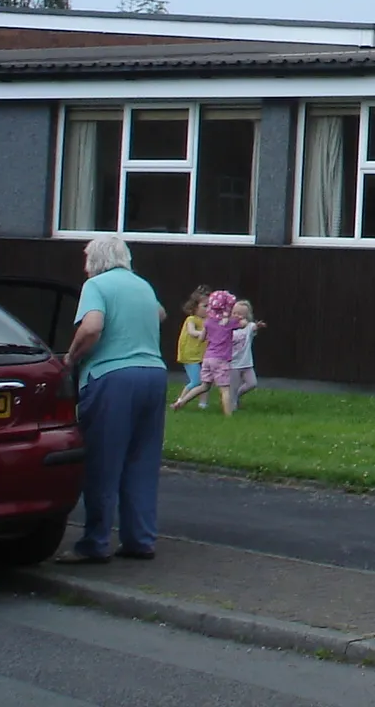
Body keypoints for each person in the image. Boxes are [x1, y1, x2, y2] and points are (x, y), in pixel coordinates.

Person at [60, 235, 168, 563]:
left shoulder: (97, 285)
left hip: (112, 378)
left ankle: (95, 543)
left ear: (95, 259)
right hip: (153, 374)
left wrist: (72, 357)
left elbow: (92, 327)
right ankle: (140, 539)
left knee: (103, 463)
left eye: (86, 258)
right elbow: (160, 314)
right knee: (141, 461)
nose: (84, 266)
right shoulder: (142, 285)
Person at [172, 290, 239, 415]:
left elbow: (202, 338)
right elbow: (243, 324)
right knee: (225, 389)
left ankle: (181, 402)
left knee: (204, 386)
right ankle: (229, 416)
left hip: (208, 359)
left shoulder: (208, 322)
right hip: (221, 359)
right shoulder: (230, 323)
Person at [170, 287, 209, 410]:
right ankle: (180, 401)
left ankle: (203, 404)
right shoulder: (191, 319)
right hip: (190, 355)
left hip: (202, 355)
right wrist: (202, 333)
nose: (208, 309)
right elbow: (192, 332)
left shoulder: (208, 321)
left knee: (205, 380)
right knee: (196, 381)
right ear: (194, 307)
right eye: (205, 306)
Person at [229, 299, 265, 404]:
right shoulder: (228, 327)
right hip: (233, 364)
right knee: (232, 388)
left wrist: (258, 326)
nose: (236, 315)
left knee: (252, 383)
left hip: (246, 363)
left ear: (246, 316)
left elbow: (254, 327)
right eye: (234, 313)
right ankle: (231, 408)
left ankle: (236, 396)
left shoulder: (249, 327)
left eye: (240, 314)